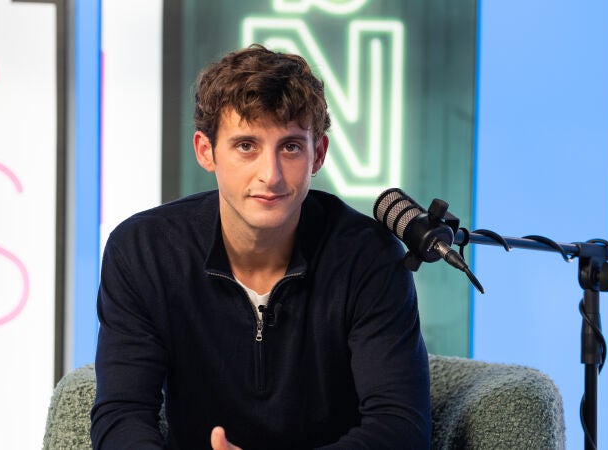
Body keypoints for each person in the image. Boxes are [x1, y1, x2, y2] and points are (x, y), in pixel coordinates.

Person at [90, 44, 432, 449]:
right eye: (246, 146)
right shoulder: (143, 253)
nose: (270, 175)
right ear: (206, 151)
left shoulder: (368, 257)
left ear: (318, 155)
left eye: (290, 147)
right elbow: (121, 416)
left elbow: (401, 426)